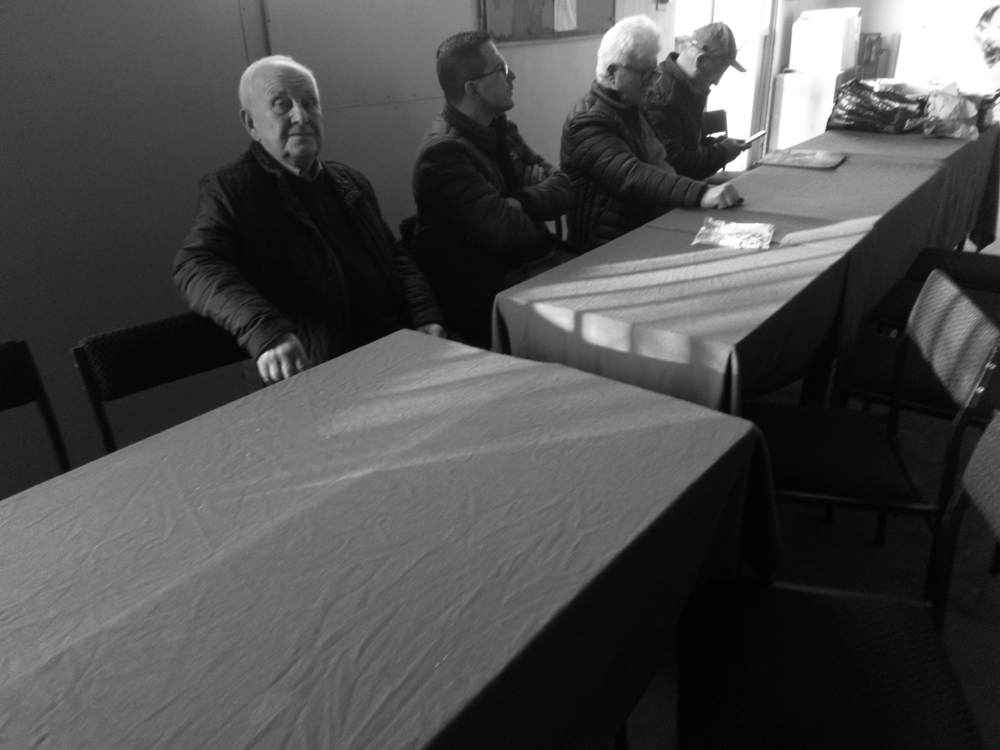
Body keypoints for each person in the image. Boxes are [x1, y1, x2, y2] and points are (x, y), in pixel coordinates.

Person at [174, 55, 444, 384]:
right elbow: (194, 265)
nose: (301, 116)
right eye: (281, 104)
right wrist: (265, 330)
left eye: (309, 103)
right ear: (251, 124)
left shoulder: (349, 182)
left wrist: (425, 316)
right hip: (321, 374)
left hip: (397, 353)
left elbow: (394, 255)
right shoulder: (233, 190)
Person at [411, 31, 575, 347]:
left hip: (528, 273)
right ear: (472, 89)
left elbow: (565, 187)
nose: (513, 76)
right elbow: (510, 232)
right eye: (501, 70)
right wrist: (531, 199)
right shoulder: (442, 155)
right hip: (489, 297)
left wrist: (519, 200)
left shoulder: (501, 128)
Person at [561, 15, 741, 252]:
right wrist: (701, 193)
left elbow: (662, 164)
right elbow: (633, 175)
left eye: (653, 71)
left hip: (641, 228)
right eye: (644, 74)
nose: (652, 81)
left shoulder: (629, 107)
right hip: (605, 247)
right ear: (613, 73)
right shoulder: (587, 122)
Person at [644, 22, 748, 180]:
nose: (717, 82)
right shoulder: (663, 97)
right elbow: (677, 166)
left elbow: (690, 145)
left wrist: (719, 145)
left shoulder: (688, 90)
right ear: (700, 61)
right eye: (717, 73)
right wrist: (722, 153)